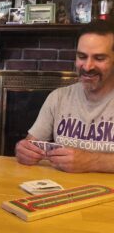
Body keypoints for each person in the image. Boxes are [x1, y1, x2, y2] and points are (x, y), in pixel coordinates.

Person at [15, 19, 114, 173]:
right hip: (62, 192)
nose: (87, 66)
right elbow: (30, 144)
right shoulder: (58, 97)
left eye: (99, 58)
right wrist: (22, 150)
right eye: (82, 57)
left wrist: (92, 161)